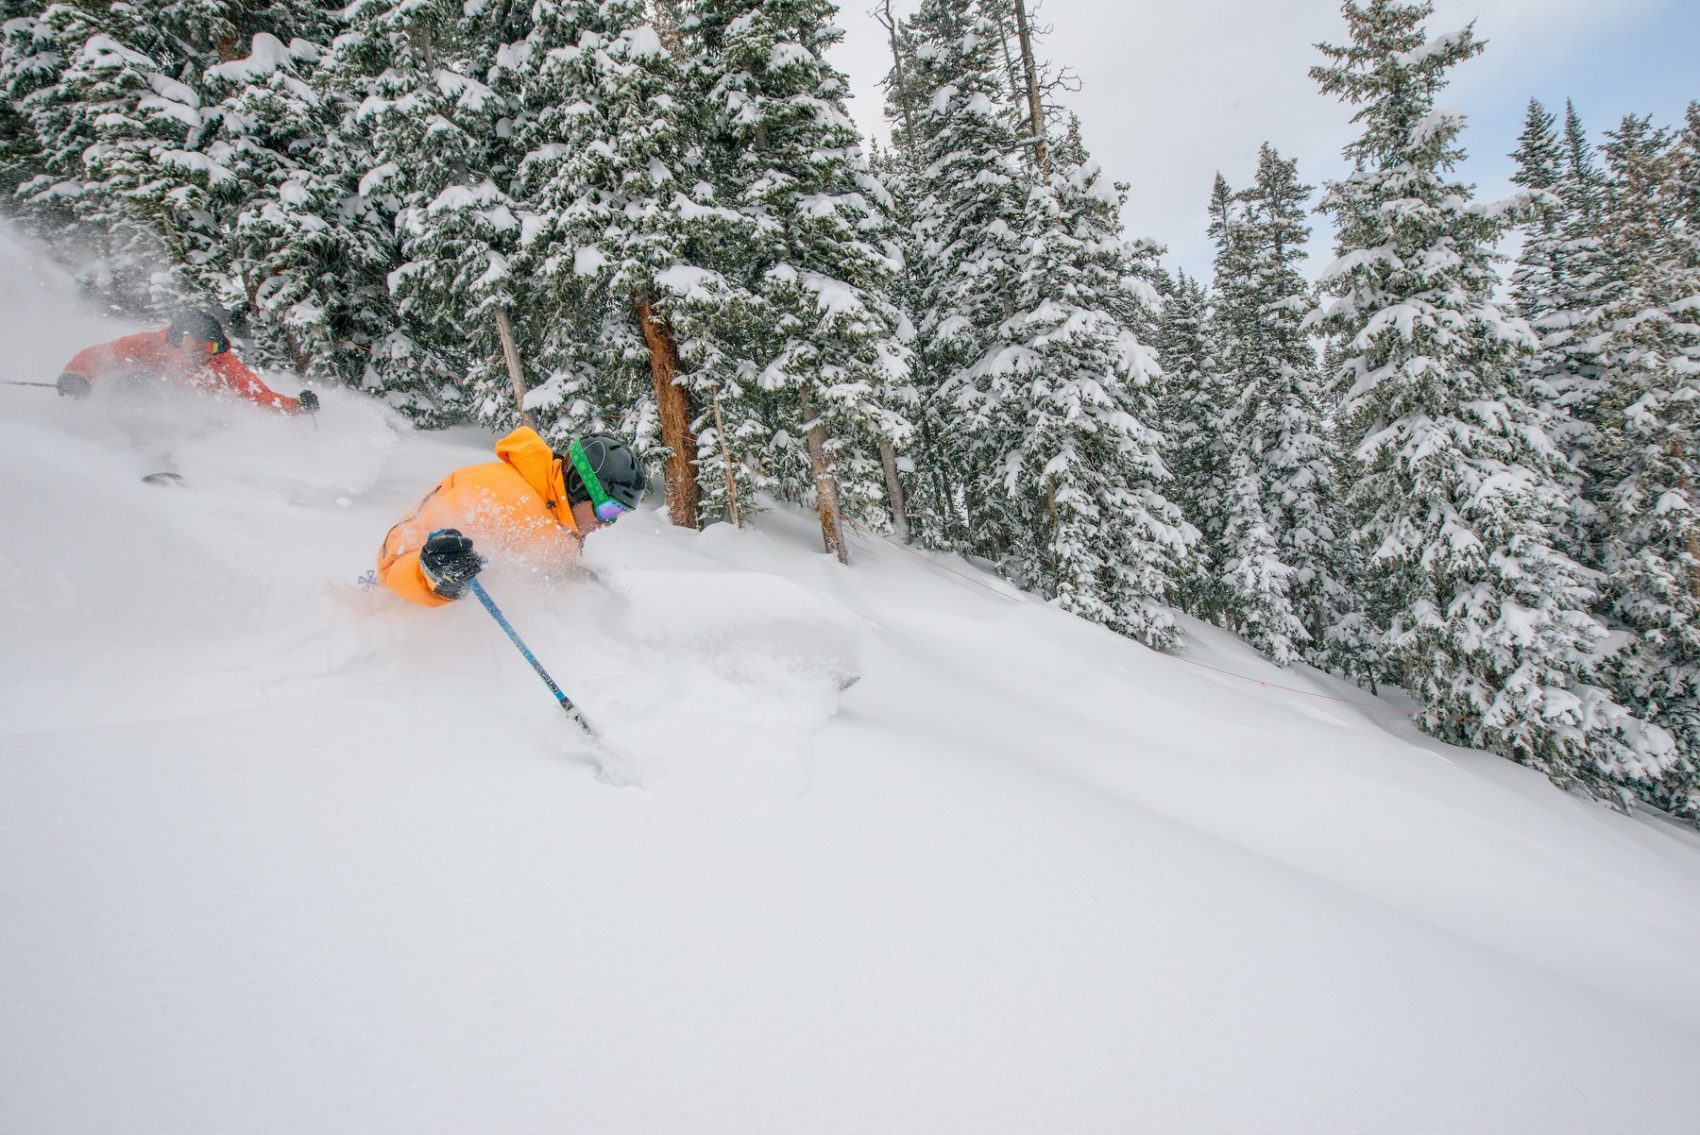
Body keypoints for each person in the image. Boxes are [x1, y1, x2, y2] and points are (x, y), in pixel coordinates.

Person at [378, 425, 647, 607]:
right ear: (579, 486)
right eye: (609, 509)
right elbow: (391, 565)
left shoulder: (563, 518)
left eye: (620, 514)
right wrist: (433, 573)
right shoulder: (491, 494)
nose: (608, 523)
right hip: (416, 651)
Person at [55, 308, 318, 414]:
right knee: (139, 380)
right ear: (180, 339)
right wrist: (76, 376)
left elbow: (256, 394)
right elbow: (100, 356)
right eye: (196, 345)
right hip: (139, 407)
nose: (203, 353)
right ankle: (139, 440)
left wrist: (297, 406)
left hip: (188, 416)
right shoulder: (149, 343)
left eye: (211, 347)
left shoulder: (221, 361)